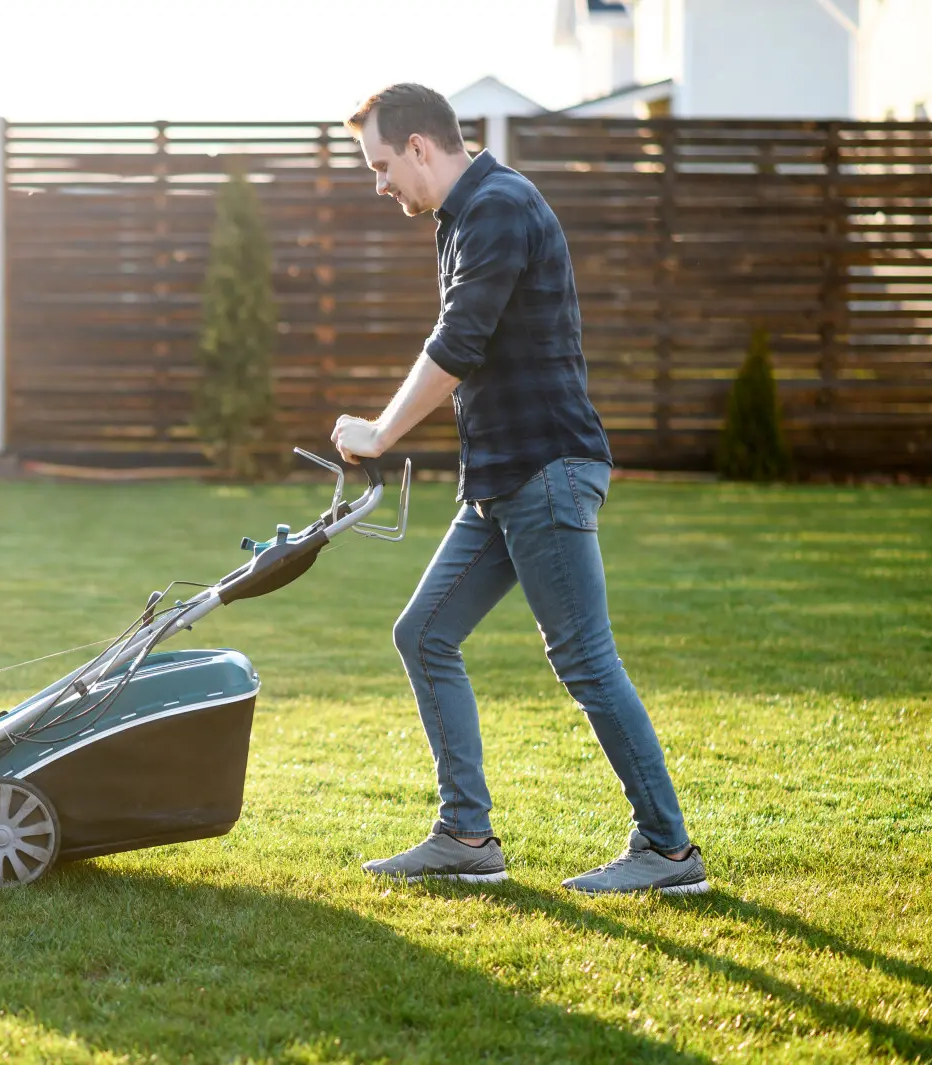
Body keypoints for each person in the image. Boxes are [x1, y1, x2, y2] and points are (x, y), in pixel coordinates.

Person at [330, 83, 708, 895]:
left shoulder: (499, 206)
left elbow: (458, 341)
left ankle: (669, 850)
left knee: (583, 659)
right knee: (424, 633)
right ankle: (466, 836)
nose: (379, 183)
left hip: (547, 469)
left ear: (422, 147)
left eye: (382, 165)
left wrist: (381, 433)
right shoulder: (460, 219)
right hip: (500, 481)